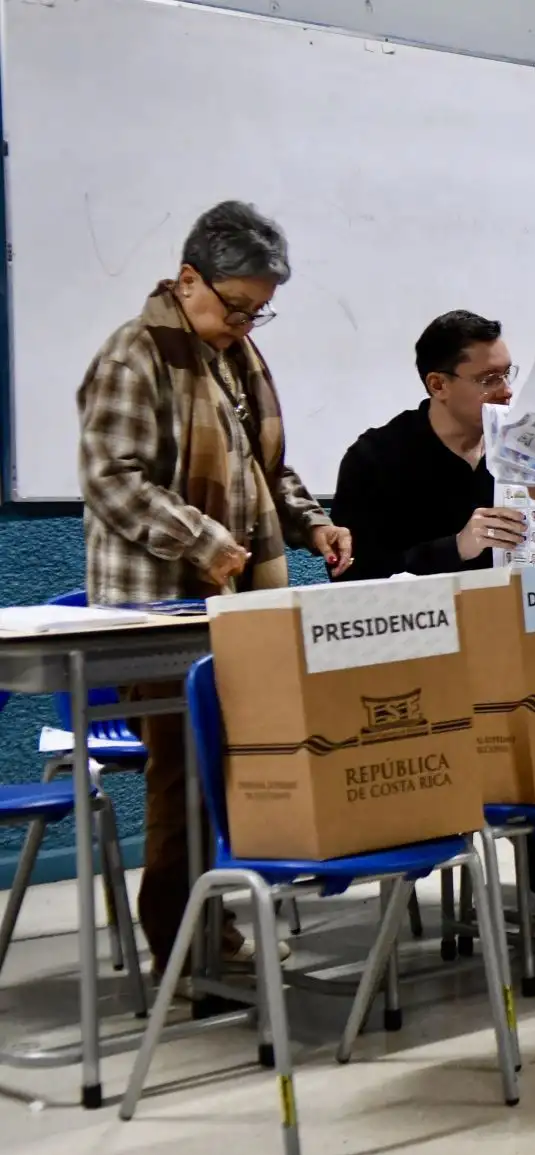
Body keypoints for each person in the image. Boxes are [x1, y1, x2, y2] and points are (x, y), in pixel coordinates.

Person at [78, 201, 354, 980]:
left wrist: (312, 525)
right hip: (154, 609)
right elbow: (110, 479)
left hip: (234, 606)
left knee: (228, 769)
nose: (246, 324)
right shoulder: (135, 357)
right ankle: (183, 948)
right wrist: (201, 539)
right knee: (183, 775)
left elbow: (264, 471)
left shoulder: (233, 359)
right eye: (236, 307)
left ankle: (217, 925)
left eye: (259, 313)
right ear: (188, 278)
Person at [329, 310, 535, 942]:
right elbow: (353, 584)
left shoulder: (527, 452)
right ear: (438, 384)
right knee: (517, 714)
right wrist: (454, 549)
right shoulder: (378, 458)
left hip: (515, 650)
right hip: (420, 665)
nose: (507, 391)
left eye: (508, 373)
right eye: (488, 379)